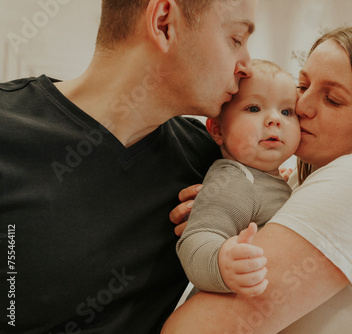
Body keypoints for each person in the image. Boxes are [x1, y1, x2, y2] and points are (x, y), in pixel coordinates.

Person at [163, 26, 352, 333]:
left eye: (332, 99)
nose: (300, 107)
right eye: (302, 86)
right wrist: (221, 212)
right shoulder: (296, 183)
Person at [0, 0, 257, 333]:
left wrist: (231, 210)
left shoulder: (212, 166)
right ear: (164, 23)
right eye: (236, 39)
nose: (247, 65)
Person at [176, 59, 301, 297]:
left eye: (287, 111)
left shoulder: (267, 180)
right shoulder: (235, 180)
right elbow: (197, 237)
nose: (274, 120)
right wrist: (222, 263)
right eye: (254, 108)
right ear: (217, 130)